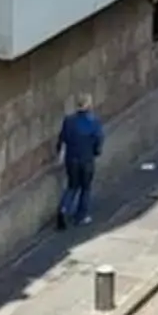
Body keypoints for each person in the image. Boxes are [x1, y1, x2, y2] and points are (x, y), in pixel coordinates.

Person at [55, 97, 103, 229]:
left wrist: (59, 153)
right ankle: (81, 216)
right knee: (86, 188)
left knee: (72, 186)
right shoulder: (94, 122)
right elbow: (98, 140)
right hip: (86, 160)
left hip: (71, 159)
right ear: (89, 105)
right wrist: (96, 151)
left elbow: (61, 139)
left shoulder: (69, 121)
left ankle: (63, 209)